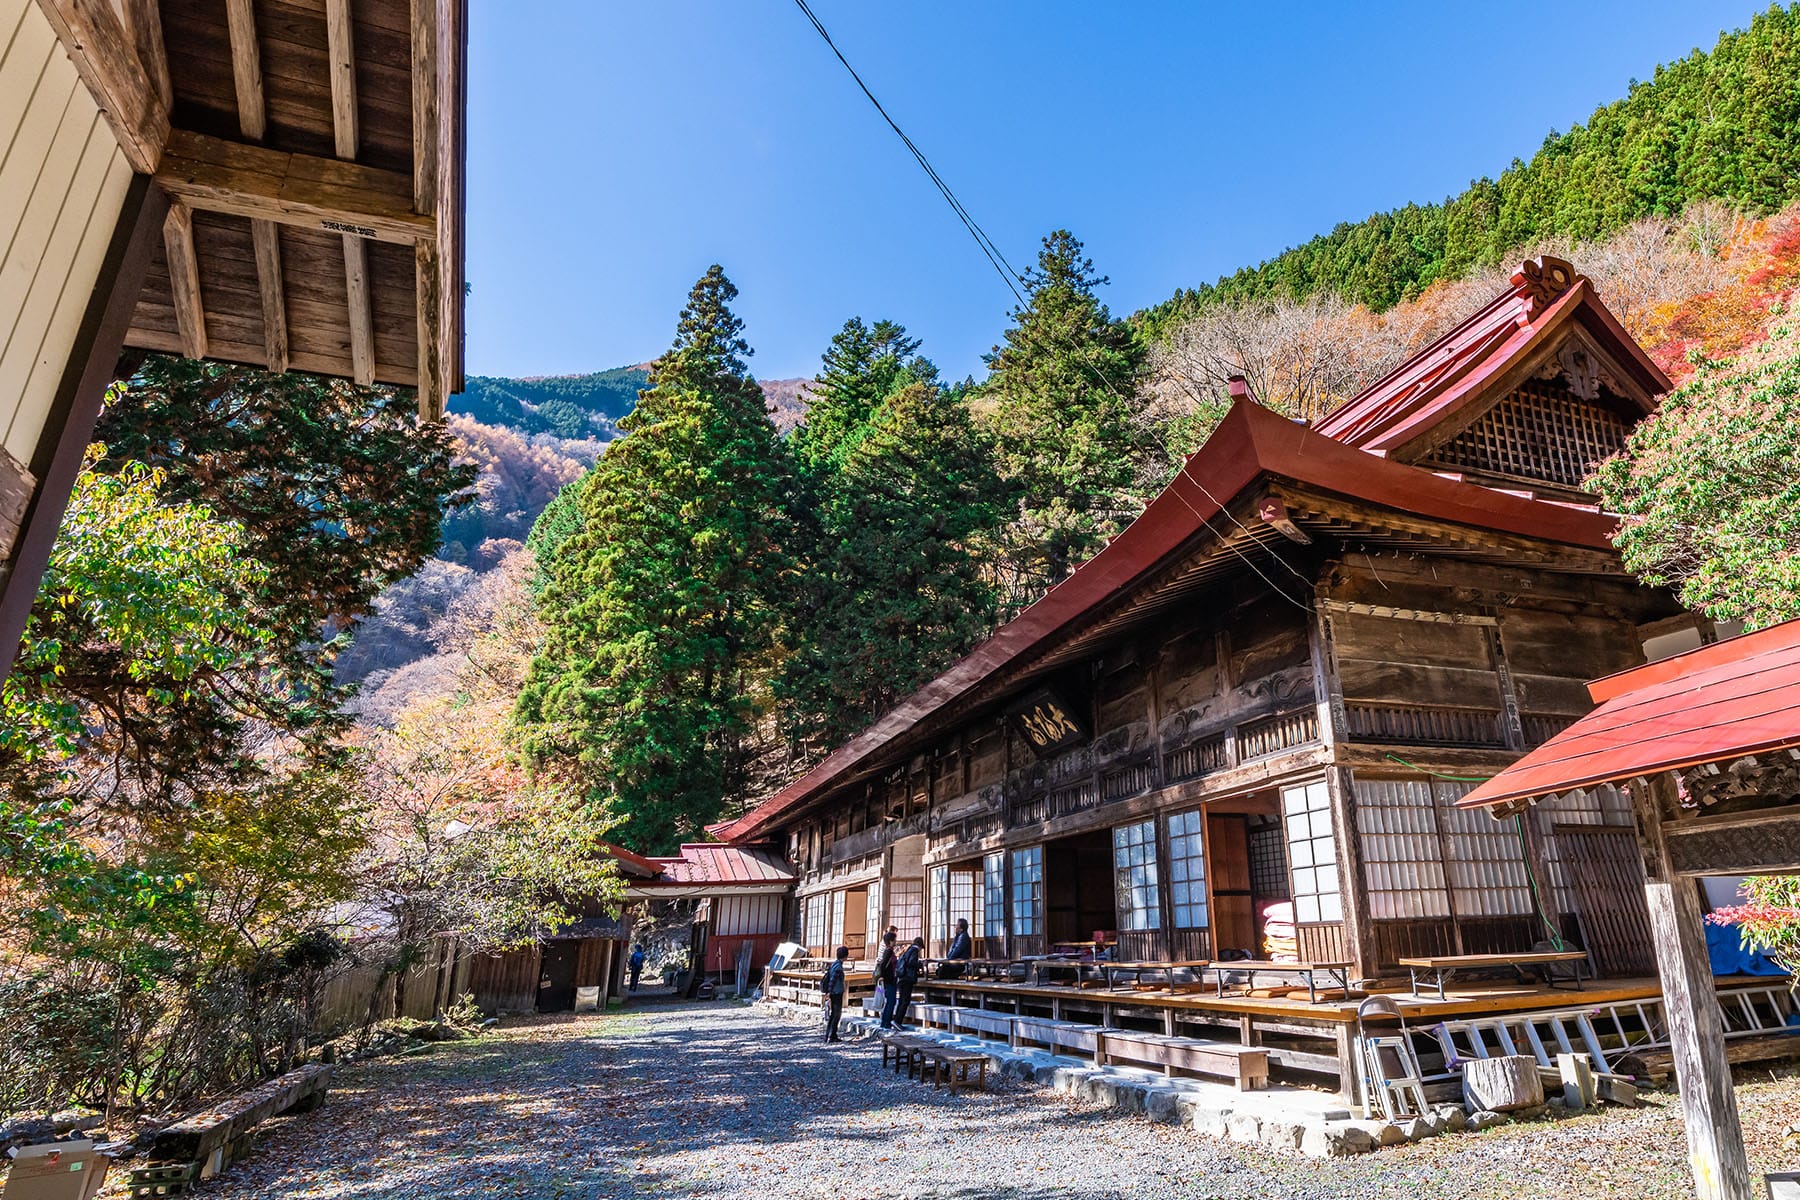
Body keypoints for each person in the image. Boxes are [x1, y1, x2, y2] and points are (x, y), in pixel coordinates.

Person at [893, 937, 924, 1030]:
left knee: (901, 1000)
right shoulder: (914, 950)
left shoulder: (908, 950)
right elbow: (911, 963)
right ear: (919, 946)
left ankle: (896, 1019)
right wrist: (920, 964)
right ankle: (898, 1021)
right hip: (908, 978)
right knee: (905, 1000)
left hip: (902, 977)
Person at [821, 945, 851, 1042]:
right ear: (845, 956)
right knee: (836, 1014)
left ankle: (829, 1035)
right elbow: (833, 980)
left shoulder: (835, 964)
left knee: (833, 1014)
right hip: (836, 992)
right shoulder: (838, 967)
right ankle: (832, 1035)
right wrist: (829, 992)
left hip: (834, 992)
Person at [875, 930, 900, 1028]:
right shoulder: (888, 951)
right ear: (890, 941)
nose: (895, 942)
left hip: (889, 978)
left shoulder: (889, 951)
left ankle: (885, 1021)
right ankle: (886, 1022)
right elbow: (883, 964)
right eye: (894, 940)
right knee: (891, 1001)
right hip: (889, 979)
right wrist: (882, 976)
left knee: (890, 1001)